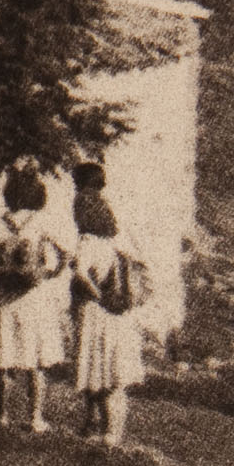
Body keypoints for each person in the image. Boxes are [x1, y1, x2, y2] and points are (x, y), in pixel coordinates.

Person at [0, 166, 72, 431]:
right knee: (36, 360)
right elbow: (65, 253)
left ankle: (0, 414)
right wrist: (50, 272)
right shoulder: (42, 222)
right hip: (34, 295)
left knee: (3, 357)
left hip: (5, 295)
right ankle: (35, 417)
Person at [68, 166, 144, 446]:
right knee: (114, 374)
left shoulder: (87, 242)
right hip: (118, 314)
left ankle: (104, 431)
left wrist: (96, 294)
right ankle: (110, 432)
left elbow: (80, 276)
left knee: (97, 372)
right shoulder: (114, 242)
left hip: (95, 313)